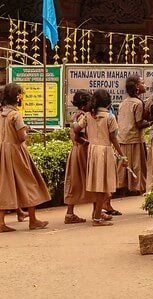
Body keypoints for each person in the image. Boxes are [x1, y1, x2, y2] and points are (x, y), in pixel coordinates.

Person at [0, 83, 51, 232]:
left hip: (2, 151)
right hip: (16, 152)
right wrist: (26, 130)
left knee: (4, 185)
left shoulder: (1, 113)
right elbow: (21, 137)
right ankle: (33, 220)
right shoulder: (16, 115)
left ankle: (0, 223)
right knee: (29, 182)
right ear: (18, 97)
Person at [83, 90, 125, 226]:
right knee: (103, 186)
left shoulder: (88, 115)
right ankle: (97, 218)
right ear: (108, 102)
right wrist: (122, 155)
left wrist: (84, 140)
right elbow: (114, 138)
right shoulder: (110, 117)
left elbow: (76, 128)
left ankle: (97, 212)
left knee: (97, 185)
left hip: (93, 150)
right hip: (105, 151)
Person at [0, 85, 25, 227]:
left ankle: (19, 211)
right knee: (2, 185)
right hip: (2, 151)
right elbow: (18, 135)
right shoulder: (3, 114)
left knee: (7, 182)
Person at [63, 90, 93, 225]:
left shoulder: (76, 115)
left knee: (74, 181)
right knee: (92, 179)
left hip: (75, 151)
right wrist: (87, 142)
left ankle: (70, 212)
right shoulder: (84, 116)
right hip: (83, 151)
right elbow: (77, 135)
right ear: (85, 103)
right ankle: (97, 211)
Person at [117, 76, 149, 194]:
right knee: (138, 166)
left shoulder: (123, 103)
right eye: (142, 83)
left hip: (123, 138)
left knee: (123, 167)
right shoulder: (138, 103)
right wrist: (152, 122)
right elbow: (139, 124)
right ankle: (138, 188)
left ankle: (122, 188)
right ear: (136, 87)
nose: (145, 85)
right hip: (134, 139)